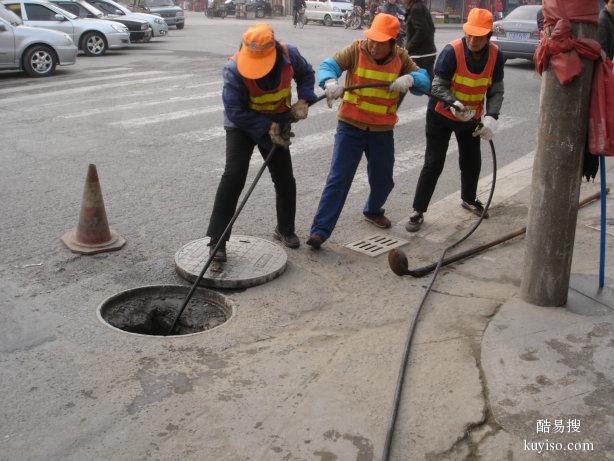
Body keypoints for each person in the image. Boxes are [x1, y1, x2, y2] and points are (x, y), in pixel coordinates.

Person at [306, 13, 431, 250]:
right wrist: (330, 81)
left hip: (381, 131)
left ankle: (373, 210)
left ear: (393, 43)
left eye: (380, 42)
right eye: (372, 39)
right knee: (338, 179)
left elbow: (424, 80)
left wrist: (411, 79)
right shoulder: (356, 50)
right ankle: (319, 232)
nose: (373, 45)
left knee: (383, 180)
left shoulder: (401, 57)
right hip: (350, 127)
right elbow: (328, 65)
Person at [206, 23, 317, 261]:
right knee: (233, 176)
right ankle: (217, 241)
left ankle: (284, 229)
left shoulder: (290, 55)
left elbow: (307, 74)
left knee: (285, 178)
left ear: (274, 53)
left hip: (276, 119)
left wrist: (304, 100)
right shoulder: (234, 69)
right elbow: (234, 110)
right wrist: (267, 127)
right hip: (243, 125)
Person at [405, 8, 505, 232]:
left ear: (488, 36)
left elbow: (496, 90)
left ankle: (469, 199)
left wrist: (491, 116)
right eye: (470, 34)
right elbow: (437, 86)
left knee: (471, 161)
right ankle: (418, 210)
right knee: (433, 162)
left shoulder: (497, 55)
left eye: (479, 36)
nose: (473, 40)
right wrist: (455, 103)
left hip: (471, 118)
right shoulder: (452, 51)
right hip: (441, 115)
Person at [402, 0, 436, 78]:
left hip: (421, 55)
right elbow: (431, 28)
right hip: (424, 53)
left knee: (422, 84)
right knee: (425, 83)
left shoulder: (416, 8)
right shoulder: (418, 6)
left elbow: (422, 30)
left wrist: (409, 47)